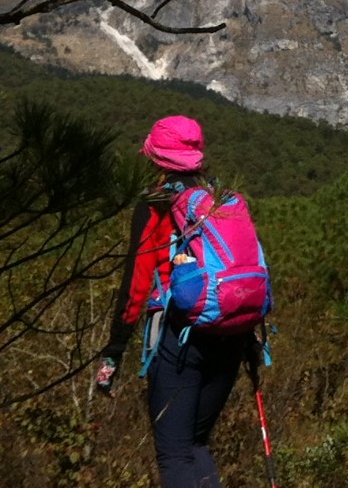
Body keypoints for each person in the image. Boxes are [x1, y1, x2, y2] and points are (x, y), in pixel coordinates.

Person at [94, 115, 252, 488]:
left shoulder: (155, 204)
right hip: (231, 331)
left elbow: (136, 283)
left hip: (180, 337)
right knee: (196, 444)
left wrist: (115, 349)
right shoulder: (221, 198)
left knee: (175, 452)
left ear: (155, 158)